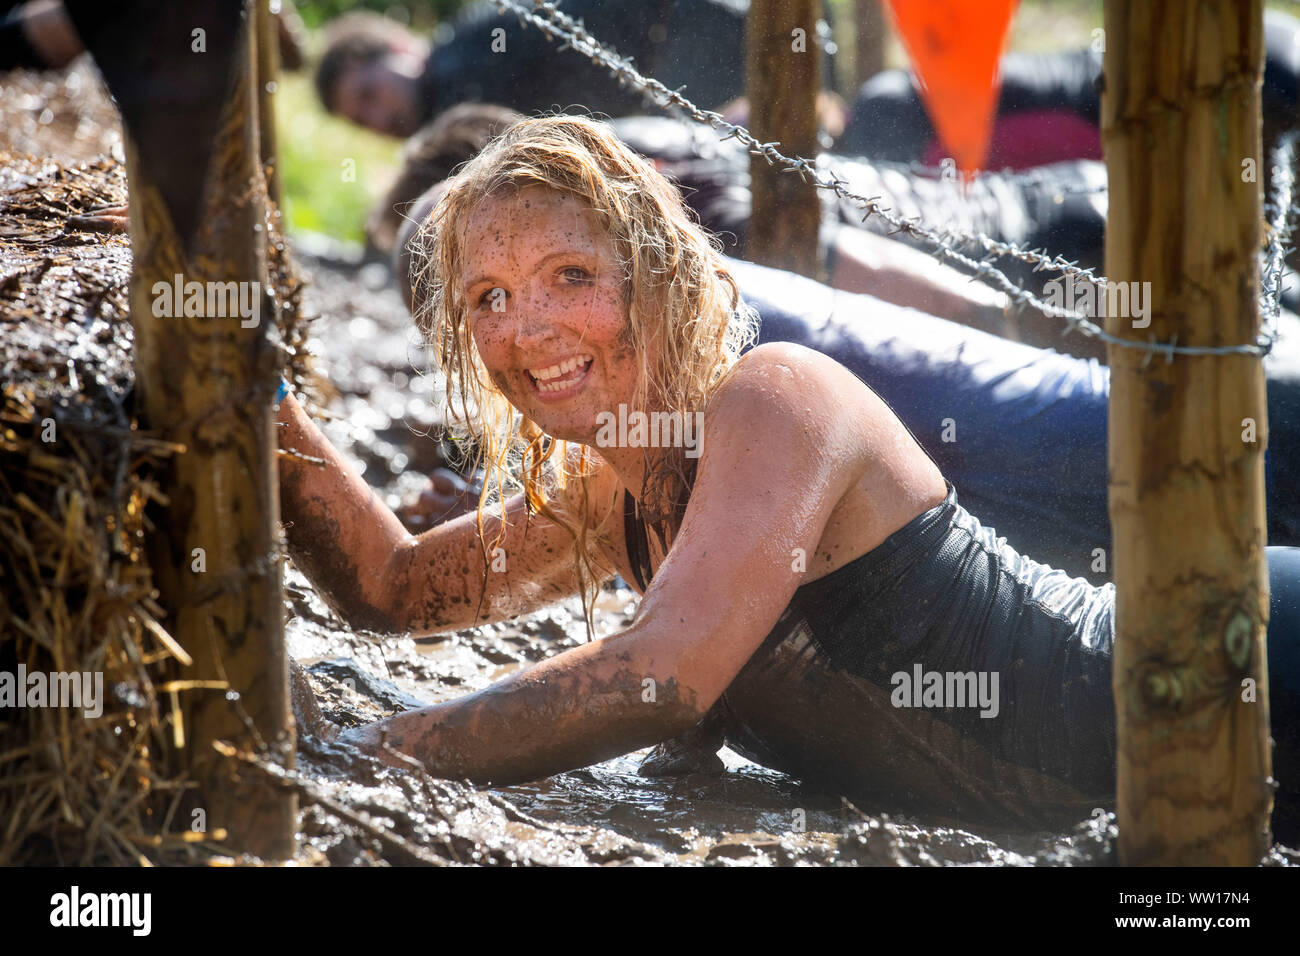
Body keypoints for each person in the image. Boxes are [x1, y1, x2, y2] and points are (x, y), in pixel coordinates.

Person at [280, 116, 1300, 839]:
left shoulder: (775, 398)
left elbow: (659, 675)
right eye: (489, 297)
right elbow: (398, 589)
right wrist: (256, 400)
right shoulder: (608, 497)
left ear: (656, 273)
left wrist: (365, 748)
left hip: (1230, 657)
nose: (526, 326)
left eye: (571, 277)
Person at [315, 1, 836, 139]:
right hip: (692, 44)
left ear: (400, 48)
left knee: (788, 142)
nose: (378, 118)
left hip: (691, 32)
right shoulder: (463, 51)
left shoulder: (457, 70)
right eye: (362, 123)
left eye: (368, 94)